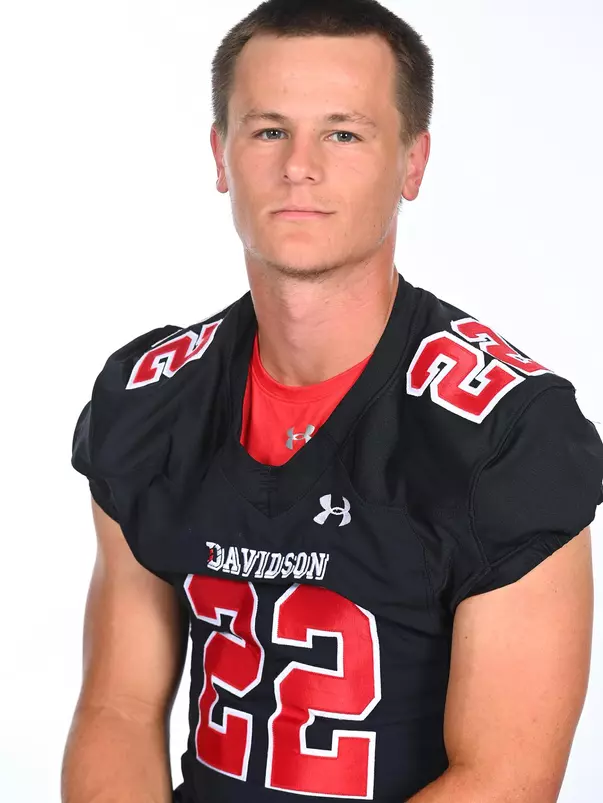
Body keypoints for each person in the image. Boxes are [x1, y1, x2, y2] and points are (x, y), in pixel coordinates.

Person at [61, 1, 603, 801]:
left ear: (411, 163)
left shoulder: (507, 433)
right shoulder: (151, 398)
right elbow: (117, 706)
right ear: (221, 154)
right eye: (268, 129)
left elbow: (505, 777)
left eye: (343, 133)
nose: (299, 166)